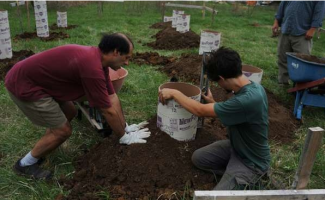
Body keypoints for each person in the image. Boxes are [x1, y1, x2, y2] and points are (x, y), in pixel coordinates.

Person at [5, 33, 150, 180]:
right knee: (63, 131)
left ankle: (47, 142)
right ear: (116, 52)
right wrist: (124, 138)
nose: (127, 63)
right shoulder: (92, 68)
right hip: (25, 84)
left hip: (41, 81)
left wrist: (124, 127)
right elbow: (106, 109)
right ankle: (25, 164)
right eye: (127, 57)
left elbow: (112, 98)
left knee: (70, 112)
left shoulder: (99, 62)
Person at [159, 47, 270, 190]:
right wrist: (213, 102)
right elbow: (236, 112)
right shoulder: (252, 87)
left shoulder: (247, 99)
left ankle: (249, 179)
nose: (219, 85)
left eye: (218, 82)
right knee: (199, 158)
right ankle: (233, 176)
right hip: (236, 147)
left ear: (222, 78)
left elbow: (199, 110)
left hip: (252, 162)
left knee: (216, 197)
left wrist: (175, 93)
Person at [272, 1, 325, 85]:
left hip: (302, 32)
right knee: (282, 57)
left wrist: (312, 29)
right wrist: (276, 21)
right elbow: (282, 5)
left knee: (302, 61)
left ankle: (299, 86)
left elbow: (319, 12)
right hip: (286, 30)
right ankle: (283, 82)